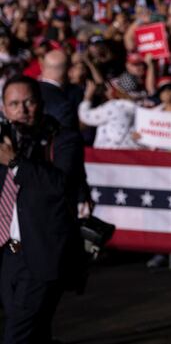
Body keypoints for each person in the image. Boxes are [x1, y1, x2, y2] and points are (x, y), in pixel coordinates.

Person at [0, 75, 84, 343]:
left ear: (40, 103)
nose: (22, 110)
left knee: (17, 334)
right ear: (4, 109)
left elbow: (60, 184)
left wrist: (15, 163)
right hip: (8, 254)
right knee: (33, 331)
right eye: (14, 104)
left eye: (29, 102)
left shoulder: (62, 138)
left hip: (42, 253)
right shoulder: (5, 140)